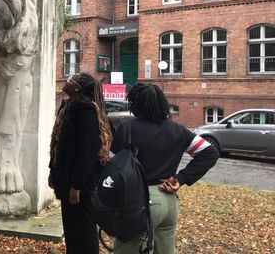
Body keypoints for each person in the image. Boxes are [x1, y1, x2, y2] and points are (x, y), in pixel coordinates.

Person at [111, 83, 219, 254]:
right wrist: (180, 179)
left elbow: (113, 165)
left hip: (139, 201)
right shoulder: (178, 130)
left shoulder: (127, 129)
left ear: (135, 105)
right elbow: (210, 153)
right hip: (168, 200)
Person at [49, 73, 113, 254]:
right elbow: (58, 145)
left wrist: (77, 185)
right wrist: (52, 171)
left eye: (71, 79)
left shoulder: (86, 112)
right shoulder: (69, 107)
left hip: (80, 188)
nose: (67, 80)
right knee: (72, 230)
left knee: (83, 233)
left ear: (77, 88)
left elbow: (87, 152)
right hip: (66, 181)